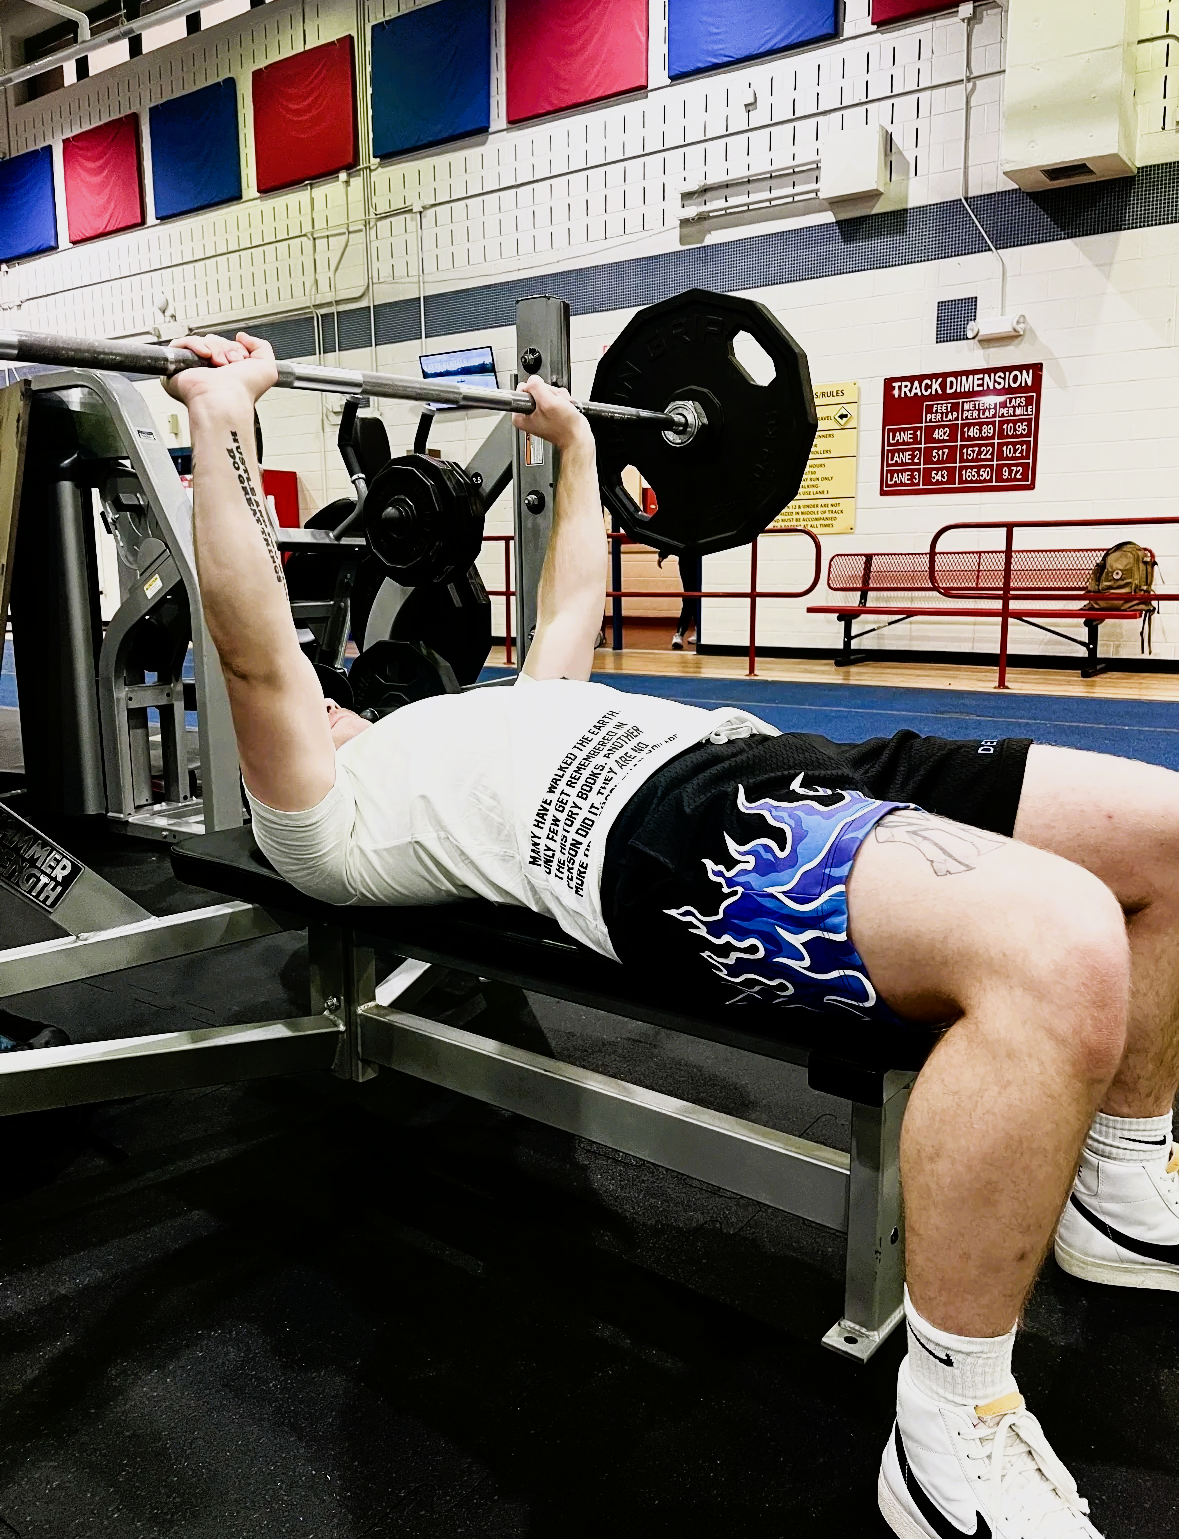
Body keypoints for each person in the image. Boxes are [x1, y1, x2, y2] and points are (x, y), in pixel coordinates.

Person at [168, 331, 1179, 1539]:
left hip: (761, 751)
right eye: (316, 694)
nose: (333, 689)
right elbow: (252, 642)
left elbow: (576, 596)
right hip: (658, 840)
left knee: (1164, 835)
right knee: (1059, 944)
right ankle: (951, 1419)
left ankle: (1121, 1188)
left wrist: (580, 447)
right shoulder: (322, 815)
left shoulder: (484, 707)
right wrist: (223, 418)